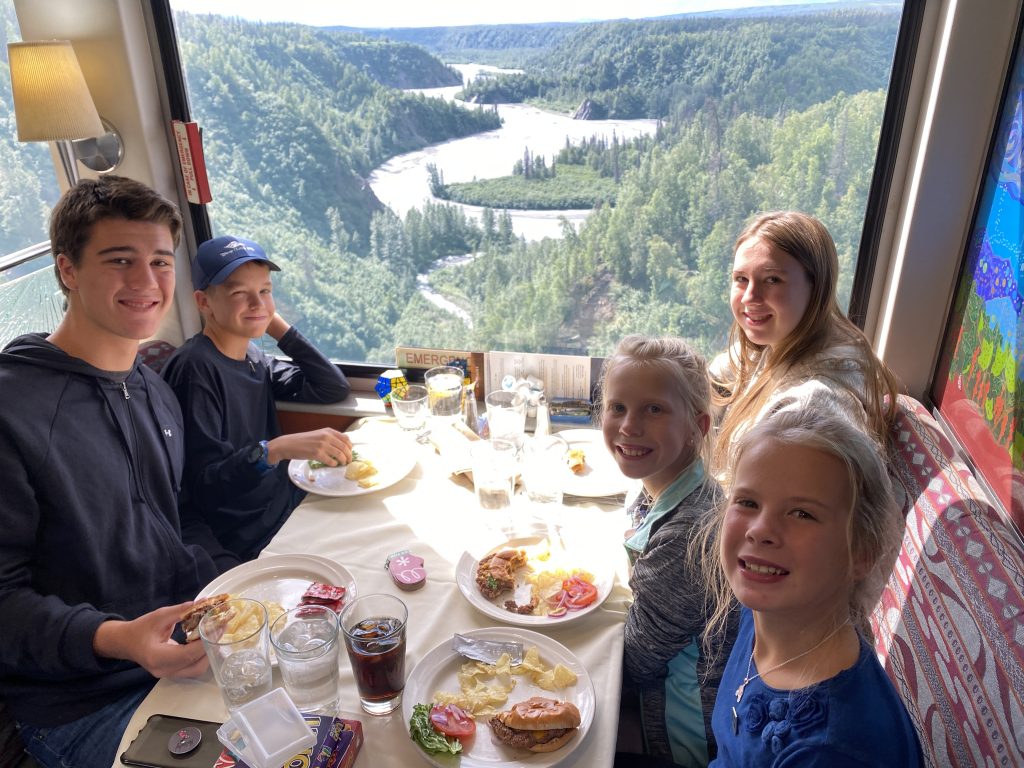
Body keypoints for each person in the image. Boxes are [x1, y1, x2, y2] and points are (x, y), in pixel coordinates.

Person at [0, 176, 222, 768]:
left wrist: (232, 591)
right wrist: (118, 639)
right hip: (83, 700)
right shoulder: (12, 410)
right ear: (67, 270)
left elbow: (179, 518)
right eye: (120, 260)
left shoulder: (153, 387)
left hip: (183, 653)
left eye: (159, 261)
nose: (148, 283)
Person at [702, 400, 923, 766]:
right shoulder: (760, 614)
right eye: (748, 502)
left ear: (861, 552)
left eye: (802, 513)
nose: (760, 530)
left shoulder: (829, 749)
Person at [162, 235, 352, 562]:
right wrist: (274, 450)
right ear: (203, 302)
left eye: (265, 291)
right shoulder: (195, 370)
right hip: (248, 533)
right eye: (239, 293)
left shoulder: (253, 357)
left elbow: (332, 386)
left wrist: (270, 323)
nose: (257, 303)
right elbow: (206, 485)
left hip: (286, 505)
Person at [602, 335, 737, 767]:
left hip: (683, 738)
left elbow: (634, 665)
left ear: (697, 428)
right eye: (617, 407)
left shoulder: (687, 535)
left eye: (653, 409)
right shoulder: (659, 487)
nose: (628, 426)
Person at [710, 211, 900, 475]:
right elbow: (708, 381)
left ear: (816, 288)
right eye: (741, 279)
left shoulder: (812, 408)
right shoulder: (775, 346)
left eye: (772, 279)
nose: (749, 297)